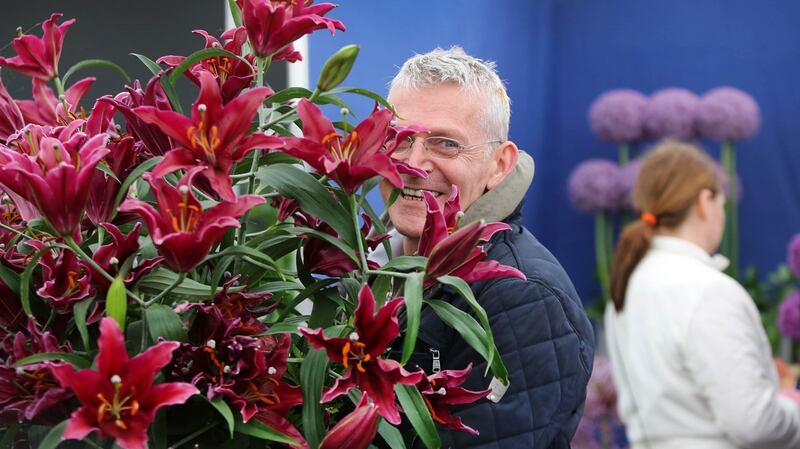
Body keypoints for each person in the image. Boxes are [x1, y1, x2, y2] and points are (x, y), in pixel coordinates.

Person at [377, 46, 595, 448]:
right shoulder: (369, 265)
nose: (412, 163)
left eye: (445, 144)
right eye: (398, 138)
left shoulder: (525, 297)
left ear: (499, 164)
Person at [605, 141, 800, 449]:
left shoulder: (628, 285)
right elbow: (753, 424)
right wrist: (792, 408)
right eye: (722, 203)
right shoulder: (708, 292)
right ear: (705, 201)